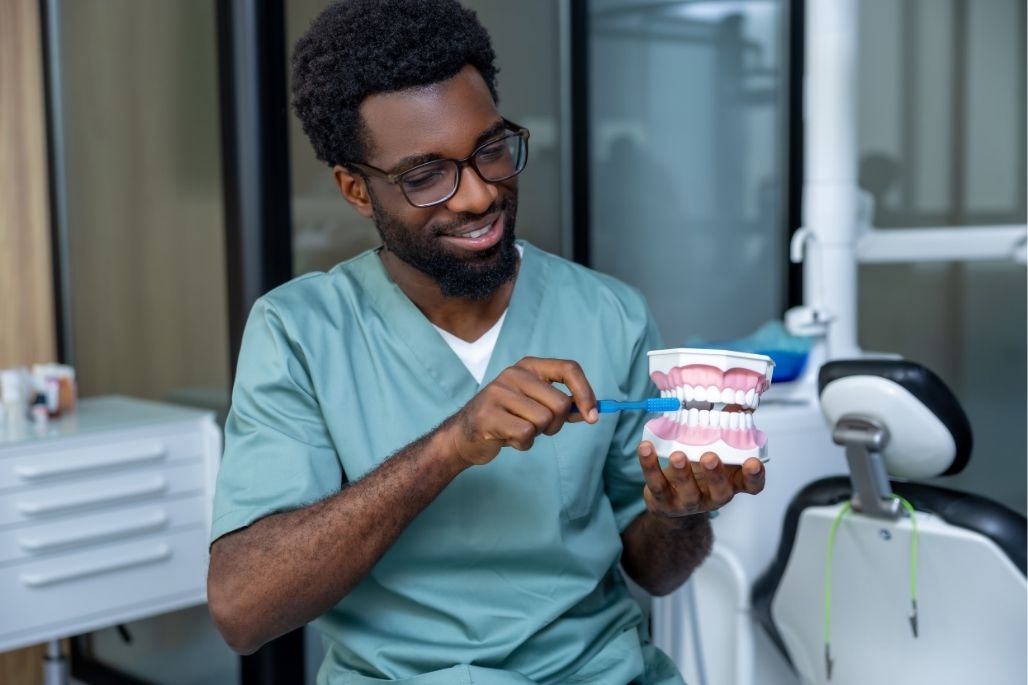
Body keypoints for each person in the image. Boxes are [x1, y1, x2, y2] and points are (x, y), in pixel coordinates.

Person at [206, 1, 766, 683]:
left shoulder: (608, 314)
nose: (476, 196)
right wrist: (450, 446)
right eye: (425, 176)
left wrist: (680, 515)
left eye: (490, 151)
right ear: (356, 189)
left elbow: (656, 570)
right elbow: (243, 608)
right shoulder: (300, 332)